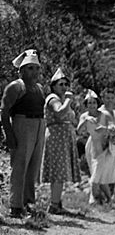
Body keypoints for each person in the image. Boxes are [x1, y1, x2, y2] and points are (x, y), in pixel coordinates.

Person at [1, 50, 46, 218]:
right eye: (30, 68)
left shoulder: (39, 88)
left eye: (36, 68)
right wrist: (9, 135)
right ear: (21, 70)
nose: (34, 72)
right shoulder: (15, 87)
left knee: (33, 167)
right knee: (19, 166)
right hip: (22, 124)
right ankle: (16, 206)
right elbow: (4, 113)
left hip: (39, 125)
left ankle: (28, 202)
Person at [41, 68, 81, 214]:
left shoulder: (63, 100)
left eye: (66, 84)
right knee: (58, 171)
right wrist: (69, 101)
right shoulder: (53, 98)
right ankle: (54, 205)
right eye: (60, 84)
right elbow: (58, 113)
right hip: (56, 138)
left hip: (64, 138)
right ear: (53, 86)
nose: (64, 87)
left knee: (61, 171)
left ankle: (57, 203)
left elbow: (72, 118)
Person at [76, 89, 108, 203]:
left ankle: (94, 198)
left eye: (94, 102)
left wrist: (104, 129)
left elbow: (111, 129)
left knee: (98, 172)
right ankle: (101, 198)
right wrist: (85, 121)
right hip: (91, 145)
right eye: (89, 103)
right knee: (93, 170)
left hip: (102, 145)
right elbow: (79, 131)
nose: (92, 105)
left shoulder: (104, 115)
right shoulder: (84, 116)